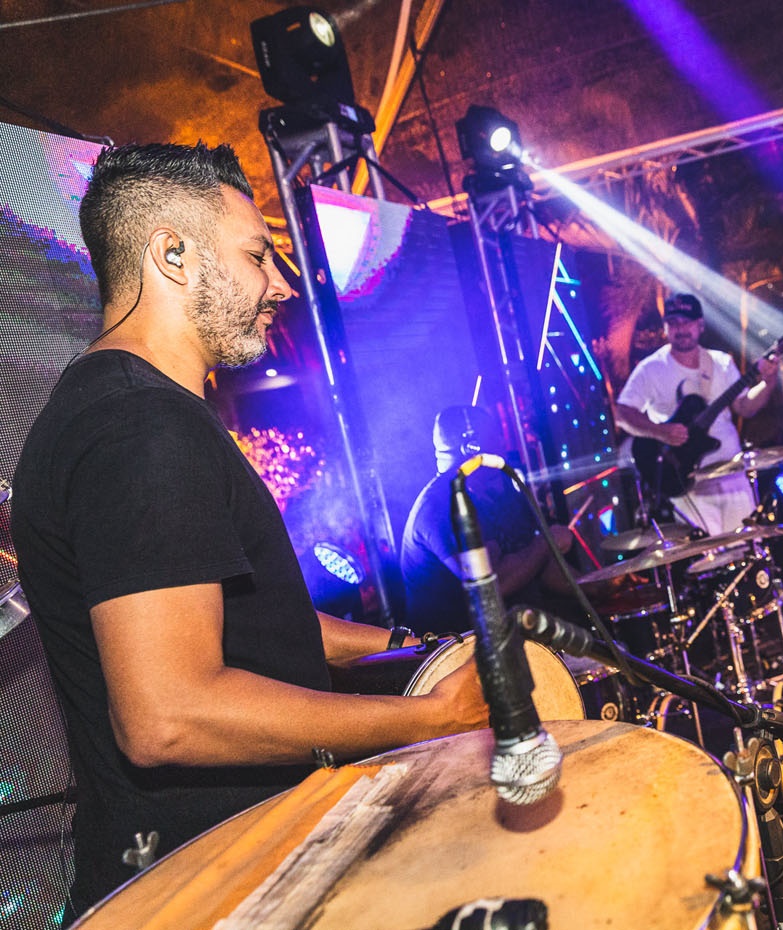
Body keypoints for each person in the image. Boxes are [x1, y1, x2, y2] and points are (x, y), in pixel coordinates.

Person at [10, 142, 488, 913]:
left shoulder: (124, 410)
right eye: (258, 256)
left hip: (221, 870)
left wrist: (414, 648)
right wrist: (427, 719)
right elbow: (169, 716)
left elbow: (256, 621)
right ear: (172, 254)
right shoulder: (141, 429)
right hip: (203, 890)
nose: (281, 284)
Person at [399, 404, 575, 635]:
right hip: (455, 650)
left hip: (500, 639)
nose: (503, 443)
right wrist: (547, 542)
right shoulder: (442, 507)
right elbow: (495, 584)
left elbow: (531, 562)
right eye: (495, 435)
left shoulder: (487, 493)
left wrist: (595, 586)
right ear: (471, 445)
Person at [615, 293, 779, 536]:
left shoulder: (721, 362)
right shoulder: (651, 369)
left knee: (746, 543)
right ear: (665, 328)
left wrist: (769, 381)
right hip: (687, 480)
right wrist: (660, 432)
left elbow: (745, 407)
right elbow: (623, 414)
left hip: (731, 472)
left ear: (700, 325)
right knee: (707, 553)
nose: (681, 329)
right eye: (674, 323)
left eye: (687, 322)